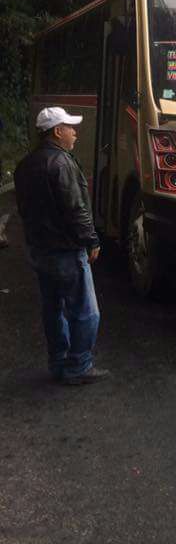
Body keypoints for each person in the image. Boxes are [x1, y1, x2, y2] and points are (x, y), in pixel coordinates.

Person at [14, 107, 109, 383]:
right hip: (65, 250)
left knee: (52, 308)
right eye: (70, 127)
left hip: (39, 249)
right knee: (85, 311)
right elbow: (76, 209)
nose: (75, 133)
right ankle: (79, 366)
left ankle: (58, 362)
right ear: (57, 131)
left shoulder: (24, 165)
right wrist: (91, 240)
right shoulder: (62, 164)